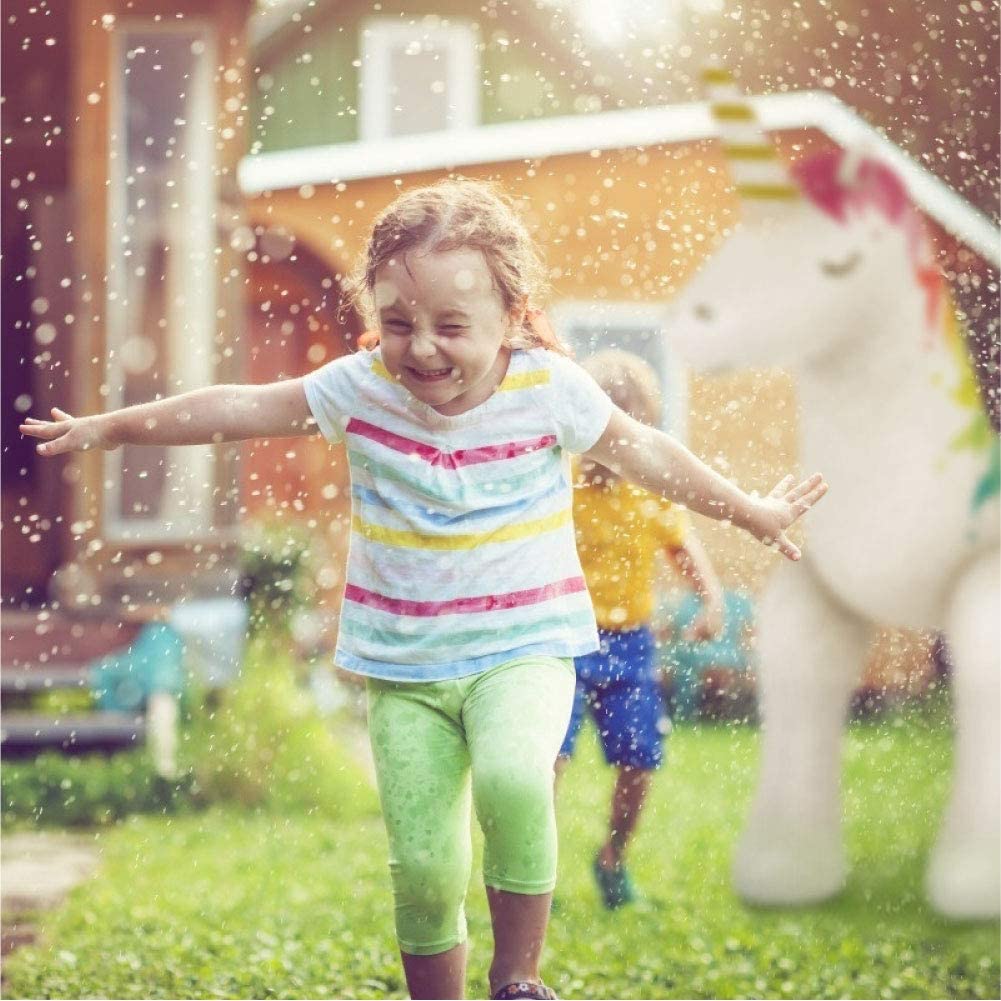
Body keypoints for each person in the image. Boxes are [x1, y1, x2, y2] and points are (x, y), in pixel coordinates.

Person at [20, 178, 828, 1001]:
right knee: (425, 861)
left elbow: (647, 451)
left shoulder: (549, 389)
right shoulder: (359, 388)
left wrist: (749, 509)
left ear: (512, 315)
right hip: (405, 669)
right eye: (399, 322)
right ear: (374, 309)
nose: (423, 348)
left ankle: (516, 978)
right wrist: (108, 429)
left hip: (524, 649)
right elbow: (237, 407)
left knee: (517, 780)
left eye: (451, 326)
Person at [555, 349, 725, 910]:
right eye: (605, 424)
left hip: (629, 645)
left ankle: (613, 857)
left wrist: (711, 599)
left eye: (628, 425)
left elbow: (683, 545)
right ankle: (534, 869)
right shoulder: (561, 481)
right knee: (546, 760)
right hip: (562, 640)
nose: (614, 442)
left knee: (639, 759)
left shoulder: (649, 488)